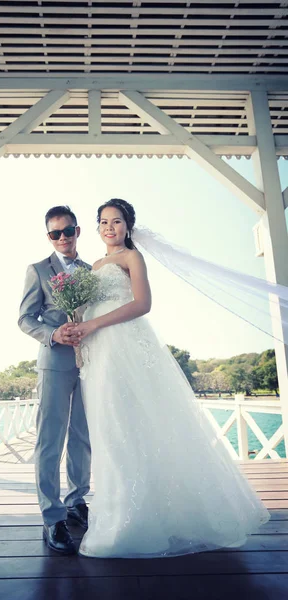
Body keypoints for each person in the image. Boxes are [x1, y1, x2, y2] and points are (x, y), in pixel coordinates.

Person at [72, 198, 270, 559]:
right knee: (110, 430)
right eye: (103, 222)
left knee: (136, 424)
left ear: (128, 226)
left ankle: (151, 519)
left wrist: (94, 323)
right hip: (97, 352)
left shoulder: (132, 258)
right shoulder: (95, 265)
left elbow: (142, 304)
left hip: (125, 345)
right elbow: (85, 308)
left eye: (116, 221)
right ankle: (119, 513)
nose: (109, 228)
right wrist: (79, 330)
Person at [18, 205, 91, 555]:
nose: (62, 238)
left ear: (78, 231)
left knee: (83, 436)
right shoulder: (37, 270)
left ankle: (78, 501)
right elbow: (25, 318)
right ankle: (52, 516)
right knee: (50, 439)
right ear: (48, 236)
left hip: (91, 364)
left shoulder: (93, 271)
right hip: (54, 363)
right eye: (55, 233)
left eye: (68, 230)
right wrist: (54, 334)